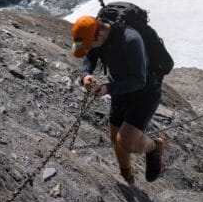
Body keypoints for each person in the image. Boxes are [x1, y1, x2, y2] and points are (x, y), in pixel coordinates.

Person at [71, 14, 166, 184]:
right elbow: (89, 56)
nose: (89, 49)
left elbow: (139, 80)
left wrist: (108, 88)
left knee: (127, 142)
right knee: (115, 137)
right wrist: (86, 75)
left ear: (99, 35)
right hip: (120, 88)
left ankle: (155, 147)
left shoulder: (130, 40)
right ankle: (127, 177)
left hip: (145, 92)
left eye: (89, 45)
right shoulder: (96, 35)